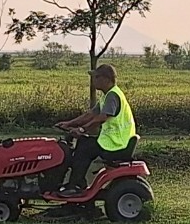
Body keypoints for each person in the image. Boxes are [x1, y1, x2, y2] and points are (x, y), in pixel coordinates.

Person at [55, 64, 136, 196]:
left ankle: (75, 186)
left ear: (106, 79)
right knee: (84, 143)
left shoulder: (112, 96)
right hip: (114, 141)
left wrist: (82, 129)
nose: (94, 80)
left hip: (116, 144)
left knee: (84, 149)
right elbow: (91, 115)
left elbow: (102, 118)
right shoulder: (107, 96)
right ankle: (75, 183)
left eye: (97, 77)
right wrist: (69, 123)